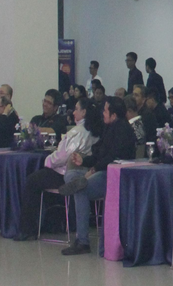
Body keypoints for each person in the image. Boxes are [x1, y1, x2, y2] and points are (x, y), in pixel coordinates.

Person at [61, 96, 138, 255]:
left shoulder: (123, 130)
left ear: (114, 115)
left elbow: (113, 158)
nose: (102, 113)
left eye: (105, 110)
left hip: (114, 176)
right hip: (102, 171)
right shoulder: (109, 128)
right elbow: (99, 154)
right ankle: (79, 181)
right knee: (73, 174)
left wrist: (94, 168)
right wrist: (84, 160)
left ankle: (83, 241)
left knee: (80, 189)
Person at [18, 98, 101, 239]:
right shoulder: (96, 131)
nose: (73, 112)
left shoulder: (76, 132)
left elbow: (63, 156)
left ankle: (28, 230)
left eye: (76, 109)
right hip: (85, 173)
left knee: (31, 181)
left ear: (84, 112)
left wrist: (47, 161)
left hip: (65, 173)